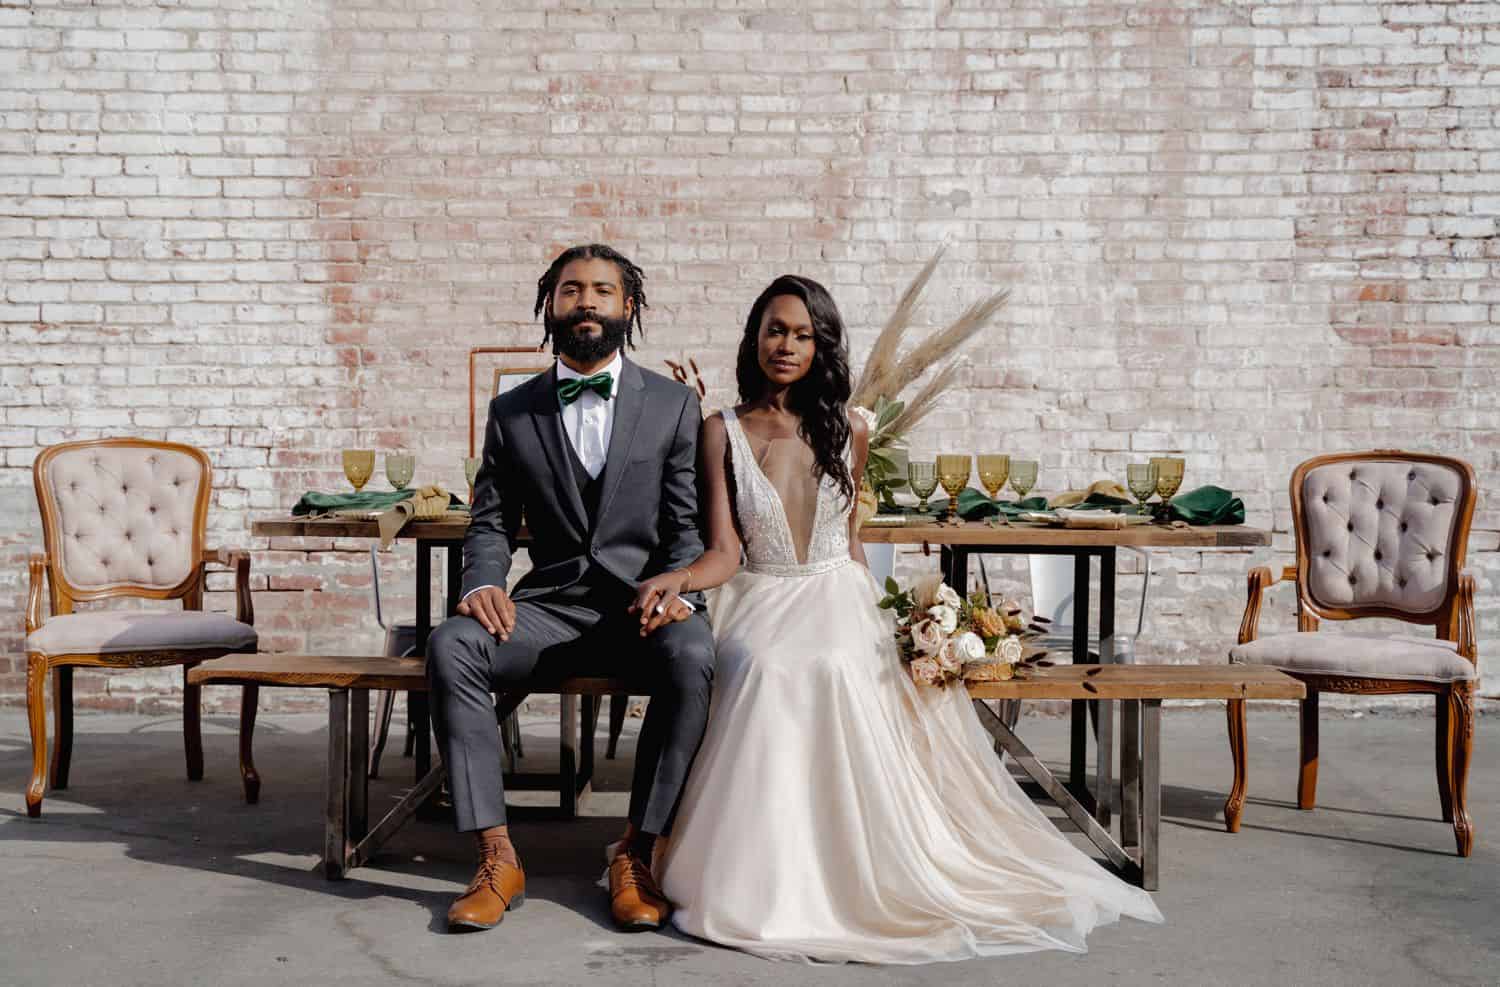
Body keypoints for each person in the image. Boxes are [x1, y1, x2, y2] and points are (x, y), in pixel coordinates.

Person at [629, 274, 1164, 963]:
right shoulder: (720, 431)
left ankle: (860, 861)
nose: (786, 345)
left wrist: (884, 616)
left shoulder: (849, 428)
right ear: (754, 338)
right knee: (765, 666)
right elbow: (725, 551)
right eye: (775, 330)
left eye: (803, 335)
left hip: (838, 590)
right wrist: (678, 578)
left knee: (841, 661)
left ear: (822, 347)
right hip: (761, 592)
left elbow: (850, 540)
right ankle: (768, 871)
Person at [427, 244, 715, 933]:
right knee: (452, 644)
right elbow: (491, 521)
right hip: (549, 610)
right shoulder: (512, 410)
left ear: (628, 306)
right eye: (571, 290)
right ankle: (496, 857)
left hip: (640, 610)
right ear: (550, 305)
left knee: (694, 652)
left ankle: (636, 854)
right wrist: (483, 583)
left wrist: (681, 593)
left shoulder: (673, 405)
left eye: (602, 290)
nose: (586, 301)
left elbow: (685, 526)